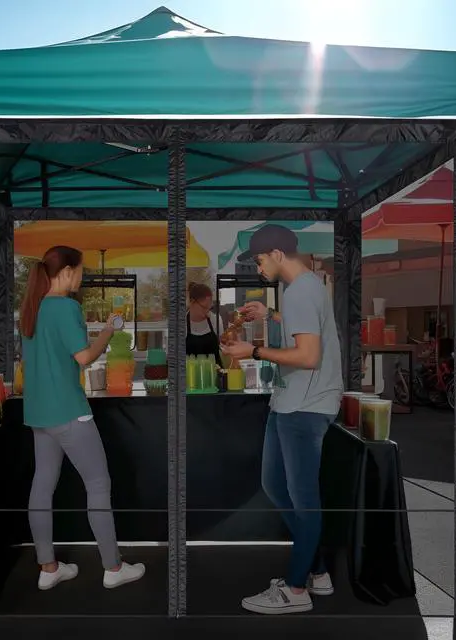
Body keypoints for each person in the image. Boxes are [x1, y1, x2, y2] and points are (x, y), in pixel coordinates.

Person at [221, 225, 343, 615]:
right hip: (290, 402)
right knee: (274, 484)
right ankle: (317, 571)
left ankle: (295, 589)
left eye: (259, 260)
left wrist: (253, 350)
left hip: (305, 407)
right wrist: (270, 314)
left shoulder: (301, 291)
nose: (258, 268)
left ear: (276, 254)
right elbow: (306, 333)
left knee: (304, 500)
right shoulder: (302, 289)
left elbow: (308, 356)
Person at [19, 245, 145, 591]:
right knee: (98, 485)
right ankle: (113, 567)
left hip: (39, 414)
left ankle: (48, 567)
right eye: (80, 271)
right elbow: (84, 357)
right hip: (70, 412)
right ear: (67, 272)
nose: (82, 277)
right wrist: (108, 331)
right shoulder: (66, 307)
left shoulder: (31, 308)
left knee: (42, 486)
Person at [186, 281, 223, 363]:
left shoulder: (216, 320)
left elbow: (223, 347)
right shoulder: (181, 324)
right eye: (204, 307)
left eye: (210, 307)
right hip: (190, 371)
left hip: (215, 370)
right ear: (192, 301)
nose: (207, 311)